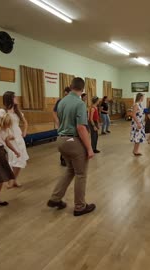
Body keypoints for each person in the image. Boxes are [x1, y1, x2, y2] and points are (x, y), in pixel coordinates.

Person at [47, 77, 96, 217]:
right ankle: (80, 206)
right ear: (82, 89)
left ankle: (55, 198)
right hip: (73, 142)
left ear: (71, 86)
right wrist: (89, 148)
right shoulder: (79, 103)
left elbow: (57, 117)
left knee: (70, 170)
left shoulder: (62, 101)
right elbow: (81, 128)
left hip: (61, 140)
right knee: (81, 174)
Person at [0, 91, 29, 188]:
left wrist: (24, 131)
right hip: (9, 138)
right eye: (14, 97)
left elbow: (25, 122)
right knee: (13, 158)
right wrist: (6, 133)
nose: (16, 98)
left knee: (21, 157)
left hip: (18, 136)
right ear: (9, 99)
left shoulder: (17, 112)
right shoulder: (3, 111)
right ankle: (10, 179)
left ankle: (14, 179)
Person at [53, 87, 71, 167]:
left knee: (70, 142)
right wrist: (57, 121)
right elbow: (54, 111)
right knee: (64, 142)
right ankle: (63, 159)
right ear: (65, 93)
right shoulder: (60, 101)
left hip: (70, 125)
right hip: (63, 125)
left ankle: (68, 158)